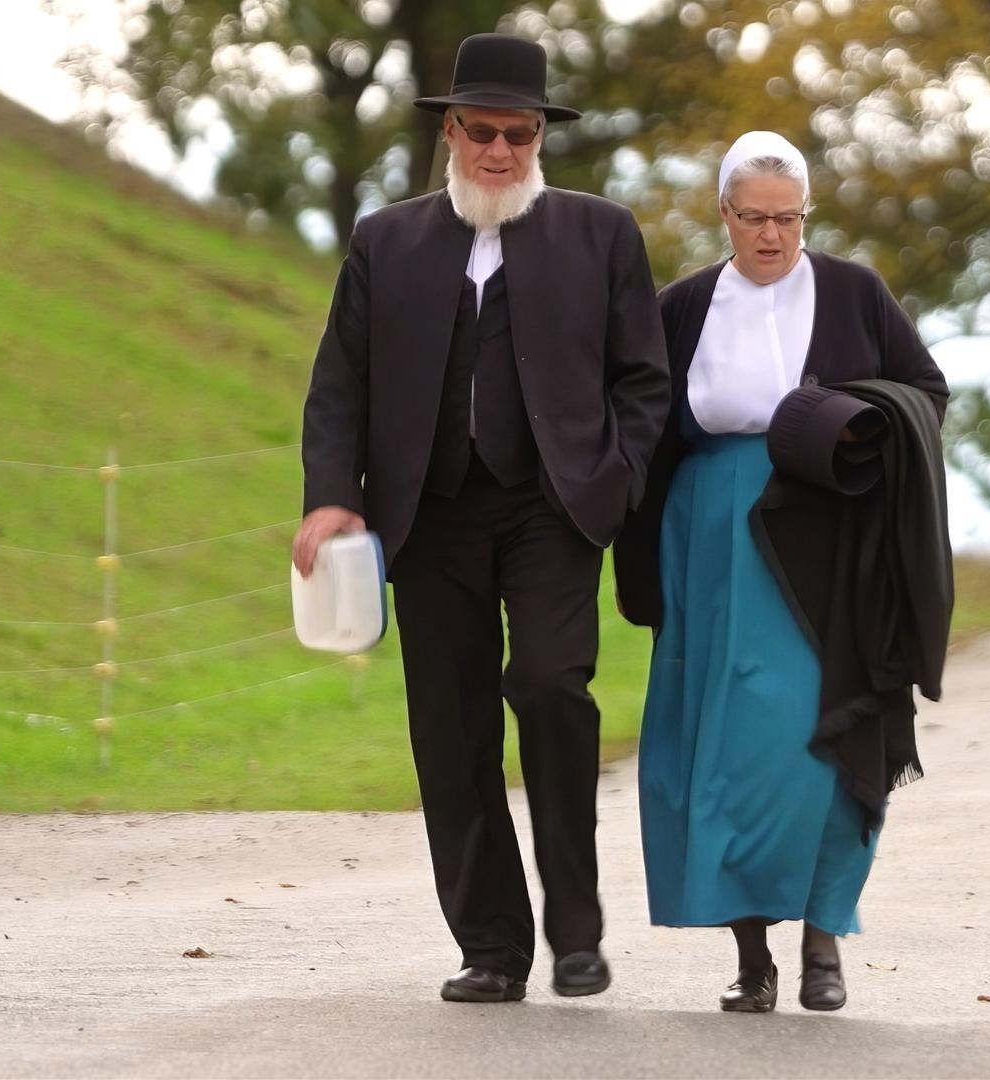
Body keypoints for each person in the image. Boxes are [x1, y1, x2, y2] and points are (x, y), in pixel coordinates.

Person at [295, 33, 668, 1004]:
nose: (499, 151)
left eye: (519, 133)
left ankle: (576, 935)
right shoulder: (388, 240)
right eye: (482, 132)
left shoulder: (602, 235)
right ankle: (493, 948)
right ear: (451, 132)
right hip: (430, 515)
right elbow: (341, 381)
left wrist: (615, 479)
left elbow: (644, 381)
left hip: (553, 509)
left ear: (541, 137)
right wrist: (334, 493)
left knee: (550, 690)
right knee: (451, 733)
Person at [614, 131, 951, 1013]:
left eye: (788, 218)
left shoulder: (854, 293)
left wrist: (854, 426)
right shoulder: (682, 306)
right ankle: (753, 955)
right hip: (712, 536)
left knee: (819, 732)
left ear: (808, 216)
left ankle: (824, 941)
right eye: (754, 218)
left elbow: (925, 394)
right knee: (722, 745)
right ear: (723, 216)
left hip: (828, 537)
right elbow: (638, 418)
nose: (772, 235)